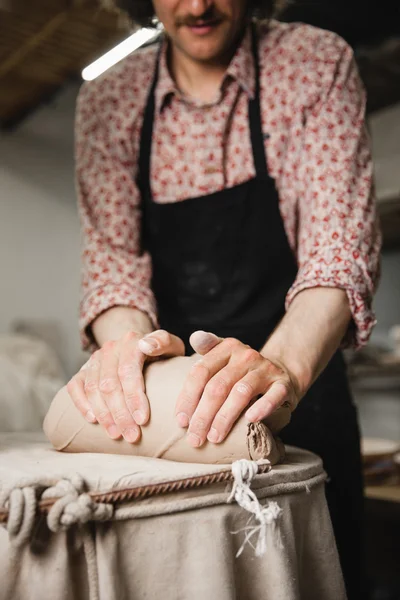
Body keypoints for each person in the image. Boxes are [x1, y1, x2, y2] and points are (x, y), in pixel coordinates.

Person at [69, 1, 381, 597]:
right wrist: (128, 357)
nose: (198, 5)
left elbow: (339, 248)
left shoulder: (313, 62)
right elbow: (112, 263)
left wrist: (283, 368)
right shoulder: (109, 100)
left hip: (299, 395)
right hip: (171, 417)